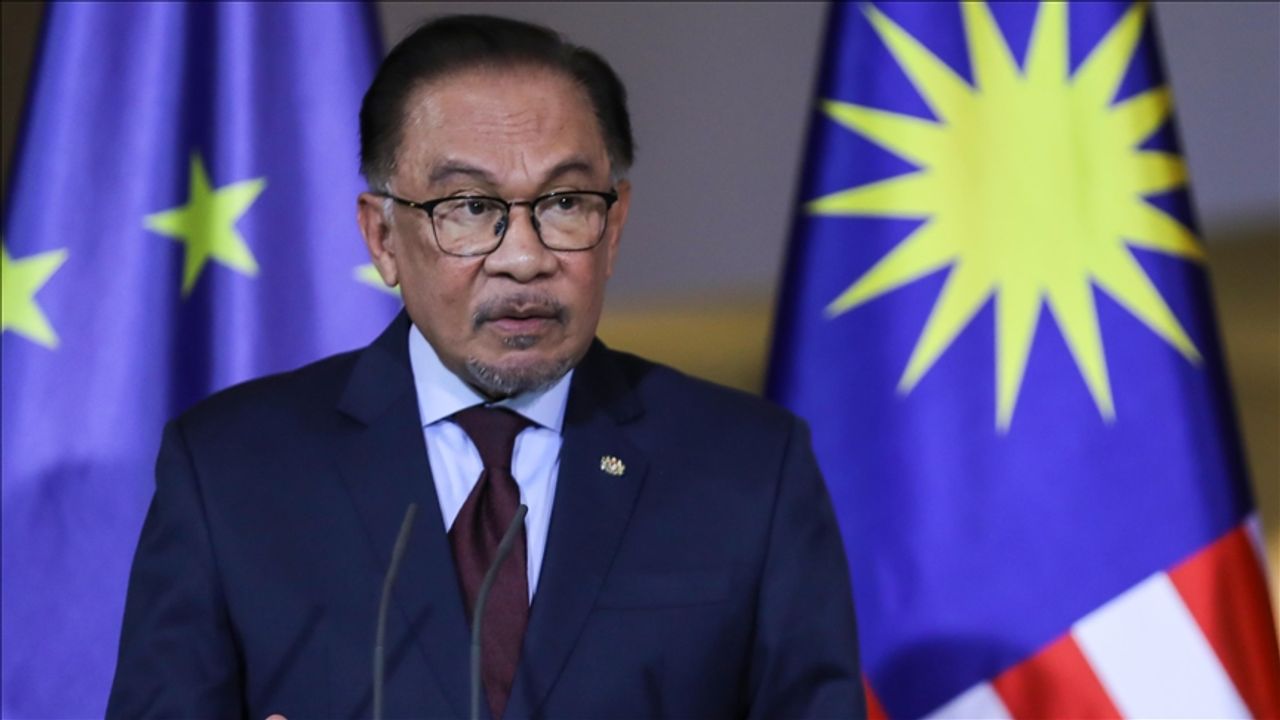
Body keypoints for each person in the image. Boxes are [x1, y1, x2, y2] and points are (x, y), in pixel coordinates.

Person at [107, 14, 863, 719]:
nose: (525, 257)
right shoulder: (232, 472)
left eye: (565, 202)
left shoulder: (749, 470)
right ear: (382, 238)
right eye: (470, 207)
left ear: (614, 226)